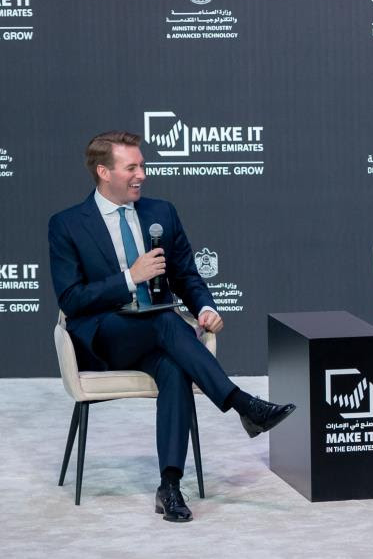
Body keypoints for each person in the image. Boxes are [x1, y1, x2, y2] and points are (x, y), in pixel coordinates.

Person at [49, 130, 296, 522]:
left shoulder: (161, 213)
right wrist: (130, 278)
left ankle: (170, 486)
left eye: (142, 165)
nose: (142, 175)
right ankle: (241, 404)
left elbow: (186, 276)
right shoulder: (67, 224)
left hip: (157, 337)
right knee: (166, 319)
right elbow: (71, 299)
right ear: (104, 172)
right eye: (132, 167)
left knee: (174, 368)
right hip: (103, 337)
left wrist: (206, 308)